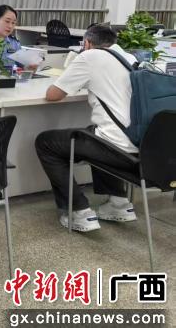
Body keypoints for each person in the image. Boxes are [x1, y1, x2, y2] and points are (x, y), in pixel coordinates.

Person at [35, 24, 138, 232]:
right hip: (141, 146)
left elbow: (53, 95)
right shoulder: (129, 58)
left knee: (46, 143)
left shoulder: (89, 57)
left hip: (116, 148)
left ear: (88, 43)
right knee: (95, 132)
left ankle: (79, 211)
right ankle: (119, 203)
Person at [0, 4, 24, 69]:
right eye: (7, 21)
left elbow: (23, 65)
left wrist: (29, 67)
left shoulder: (14, 43)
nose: (10, 26)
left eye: (13, 23)